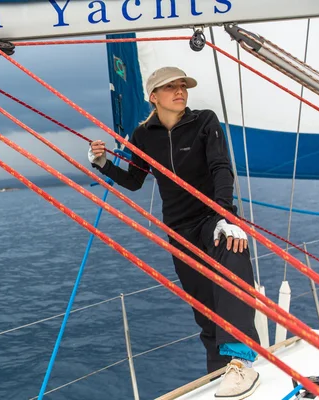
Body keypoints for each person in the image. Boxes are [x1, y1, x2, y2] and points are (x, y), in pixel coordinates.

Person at [88, 67, 261, 399]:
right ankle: (220, 374)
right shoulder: (143, 136)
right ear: (154, 97)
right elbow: (135, 180)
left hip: (213, 217)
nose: (180, 91)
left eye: (183, 85)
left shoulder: (204, 122)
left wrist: (226, 216)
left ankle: (241, 361)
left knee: (233, 250)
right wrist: (101, 163)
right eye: (171, 87)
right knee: (205, 308)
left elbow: (220, 167)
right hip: (179, 230)